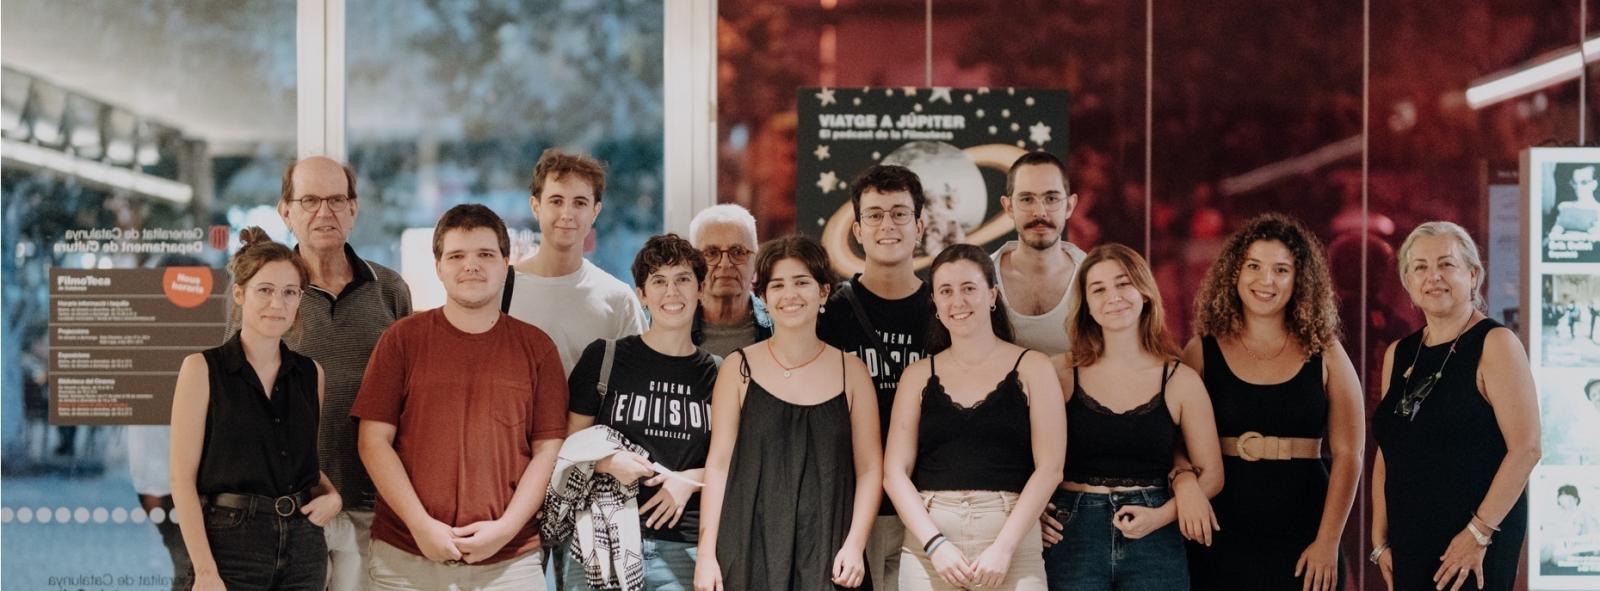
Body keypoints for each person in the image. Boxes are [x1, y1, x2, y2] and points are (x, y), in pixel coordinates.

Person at [353, 204, 569, 590]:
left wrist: (505, 529)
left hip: (510, 561)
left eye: (485, 254)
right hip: (406, 554)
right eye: (456, 256)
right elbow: (373, 441)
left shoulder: (537, 349)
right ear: (438, 266)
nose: (471, 266)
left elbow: (548, 451)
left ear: (506, 263)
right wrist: (421, 526)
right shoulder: (401, 341)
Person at [1173, 214, 1363, 590]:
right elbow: (1171, 439)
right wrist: (1184, 482)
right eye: (1254, 266)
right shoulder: (1200, 351)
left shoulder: (1326, 350)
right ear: (1234, 273)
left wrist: (1328, 542)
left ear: (1299, 279)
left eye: (1281, 270)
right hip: (1218, 533)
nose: (1266, 280)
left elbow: (1349, 454)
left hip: (1306, 534)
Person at [694, 235, 883, 591]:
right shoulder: (738, 368)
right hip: (748, 547)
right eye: (777, 285)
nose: (789, 294)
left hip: (829, 550)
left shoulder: (852, 372)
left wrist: (855, 545)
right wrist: (706, 555)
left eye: (801, 282)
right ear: (764, 297)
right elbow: (718, 466)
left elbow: (871, 469)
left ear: (823, 292)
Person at [1040, 243, 1223, 590]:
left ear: (1145, 292)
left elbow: (1212, 474)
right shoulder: (1058, 373)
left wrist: (1161, 515)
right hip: (1071, 532)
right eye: (1098, 289)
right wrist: (1033, 512)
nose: (1113, 297)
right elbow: (1021, 454)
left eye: (1123, 284)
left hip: (1155, 536)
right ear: (1086, 304)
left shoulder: (1180, 380)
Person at [882, 244, 1065, 590]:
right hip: (929, 551)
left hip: (1012, 546)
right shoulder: (916, 375)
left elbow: (1051, 468)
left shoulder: (1034, 367)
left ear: (992, 295)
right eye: (946, 291)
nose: (958, 301)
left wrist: (1003, 548)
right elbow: (894, 473)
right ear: (935, 302)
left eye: (969, 288)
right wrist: (935, 545)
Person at [169, 227, 342, 590]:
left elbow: (299, 463)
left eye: (289, 292)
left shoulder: (311, 374)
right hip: (230, 543)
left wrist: (333, 497)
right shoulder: (202, 369)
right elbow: (182, 480)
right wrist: (205, 571)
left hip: (303, 543)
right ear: (239, 294)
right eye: (265, 290)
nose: (278, 304)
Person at [1371, 221, 1540, 591]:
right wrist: (1379, 537)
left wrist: (1478, 533)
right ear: (1407, 282)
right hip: (1409, 537)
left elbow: (1526, 448)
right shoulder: (1399, 353)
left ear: (1473, 274)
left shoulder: (1496, 343)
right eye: (1420, 267)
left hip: (1473, 543)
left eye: (1446, 264)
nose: (1433, 276)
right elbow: (1390, 446)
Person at [271, 155, 412, 590]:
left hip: (373, 502)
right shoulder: (267, 293)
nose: (324, 212)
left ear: (353, 209)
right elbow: (240, 400)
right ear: (286, 212)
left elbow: (410, 399)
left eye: (336, 200)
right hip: (292, 504)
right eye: (309, 200)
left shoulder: (390, 290)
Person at [557, 233, 721, 589]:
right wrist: (607, 462)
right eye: (658, 281)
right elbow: (567, 448)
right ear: (642, 294)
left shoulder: (719, 373)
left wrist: (688, 482)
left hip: (682, 547)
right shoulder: (605, 358)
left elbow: (737, 464)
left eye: (682, 279)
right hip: (600, 539)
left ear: (701, 289)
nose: (671, 292)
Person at [819, 164, 936, 590]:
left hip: (930, 509)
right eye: (874, 215)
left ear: (919, 227)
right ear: (857, 230)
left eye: (900, 213)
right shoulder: (830, 314)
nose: (887, 225)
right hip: (851, 513)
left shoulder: (946, 309)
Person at [506, 148, 648, 374]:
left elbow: (637, 383)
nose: (567, 214)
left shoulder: (618, 300)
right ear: (535, 207)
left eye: (580, 203)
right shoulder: (501, 290)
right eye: (556, 201)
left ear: (595, 212)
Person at [990, 151, 1088, 355]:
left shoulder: (1092, 278)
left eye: (1051, 198)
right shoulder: (982, 278)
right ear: (1008, 207)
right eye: (1027, 199)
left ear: (1069, 206)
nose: (1040, 212)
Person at [687, 203, 771, 357]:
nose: (725, 264)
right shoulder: (665, 329)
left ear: (756, 259)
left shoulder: (780, 328)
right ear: (693, 263)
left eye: (738, 252)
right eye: (711, 253)